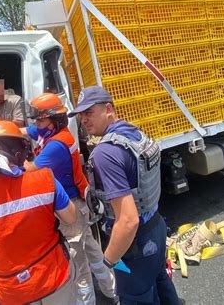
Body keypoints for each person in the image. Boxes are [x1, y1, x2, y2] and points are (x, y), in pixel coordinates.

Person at [68, 86, 180, 304]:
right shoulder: (133, 132)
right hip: (155, 228)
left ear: (108, 109)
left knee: (135, 297)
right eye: (80, 115)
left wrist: (107, 260)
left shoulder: (105, 153)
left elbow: (128, 220)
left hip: (135, 244)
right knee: (161, 283)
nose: (83, 120)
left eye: (89, 112)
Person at [0, 120, 77, 304]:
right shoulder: (44, 179)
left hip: (11, 293)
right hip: (53, 278)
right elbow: (70, 218)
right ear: (19, 154)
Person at [21, 93, 117, 304]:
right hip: (78, 205)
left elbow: (30, 171)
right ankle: (112, 292)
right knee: (92, 251)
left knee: (78, 265)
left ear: (53, 119)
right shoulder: (52, 131)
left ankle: (89, 301)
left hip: (71, 208)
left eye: (40, 119)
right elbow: (27, 130)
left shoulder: (57, 144)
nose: (37, 123)